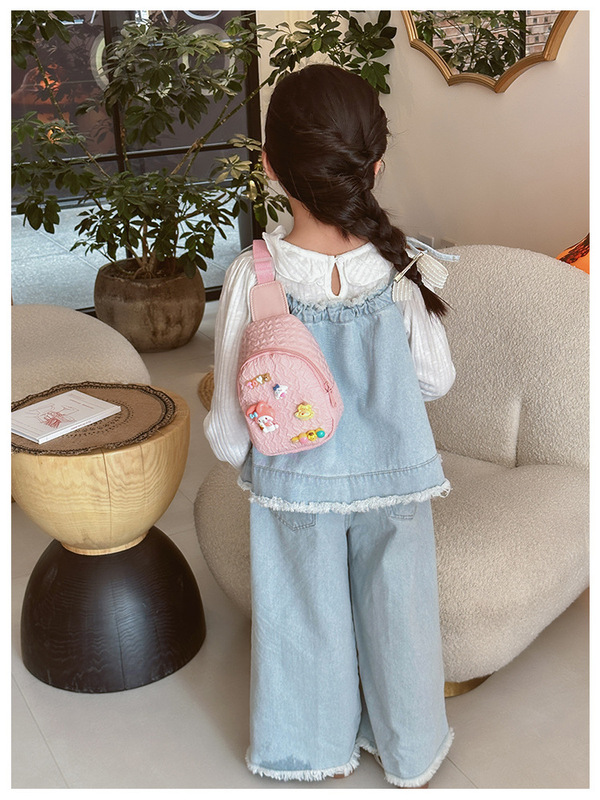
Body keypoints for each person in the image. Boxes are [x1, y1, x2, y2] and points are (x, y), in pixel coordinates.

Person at [204, 63, 458, 789]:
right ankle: (409, 748)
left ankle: (308, 750)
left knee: (301, 615)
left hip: (294, 482)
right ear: (375, 166)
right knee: (400, 612)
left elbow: (228, 435)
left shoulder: (255, 276)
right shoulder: (401, 265)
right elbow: (435, 380)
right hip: (395, 475)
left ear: (269, 166)